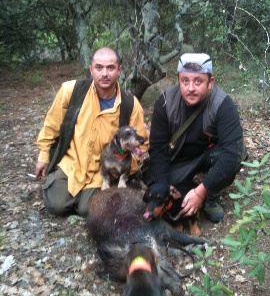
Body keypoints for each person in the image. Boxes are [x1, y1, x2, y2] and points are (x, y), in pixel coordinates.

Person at [35, 47, 148, 217]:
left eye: (110, 68)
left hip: (102, 170)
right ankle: (61, 187)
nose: (104, 73)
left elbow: (140, 143)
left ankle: (86, 197)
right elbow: (52, 123)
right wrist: (44, 155)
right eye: (99, 67)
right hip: (72, 163)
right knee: (56, 206)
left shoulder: (130, 104)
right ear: (91, 69)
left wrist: (124, 167)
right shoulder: (71, 91)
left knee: (86, 210)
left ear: (119, 71)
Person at [146, 53, 247, 223]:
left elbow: (232, 152)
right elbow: (157, 147)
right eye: (185, 81)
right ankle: (185, 188)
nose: (190, 87)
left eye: (198, 81)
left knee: (237, 153)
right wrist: (163, 184)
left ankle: (210, 196)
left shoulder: (223, 105)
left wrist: (202, 191)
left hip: (206, 156)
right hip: (176, 160)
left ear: (210, 82)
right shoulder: (165, 102)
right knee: (162, 184)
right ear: (178, 80)